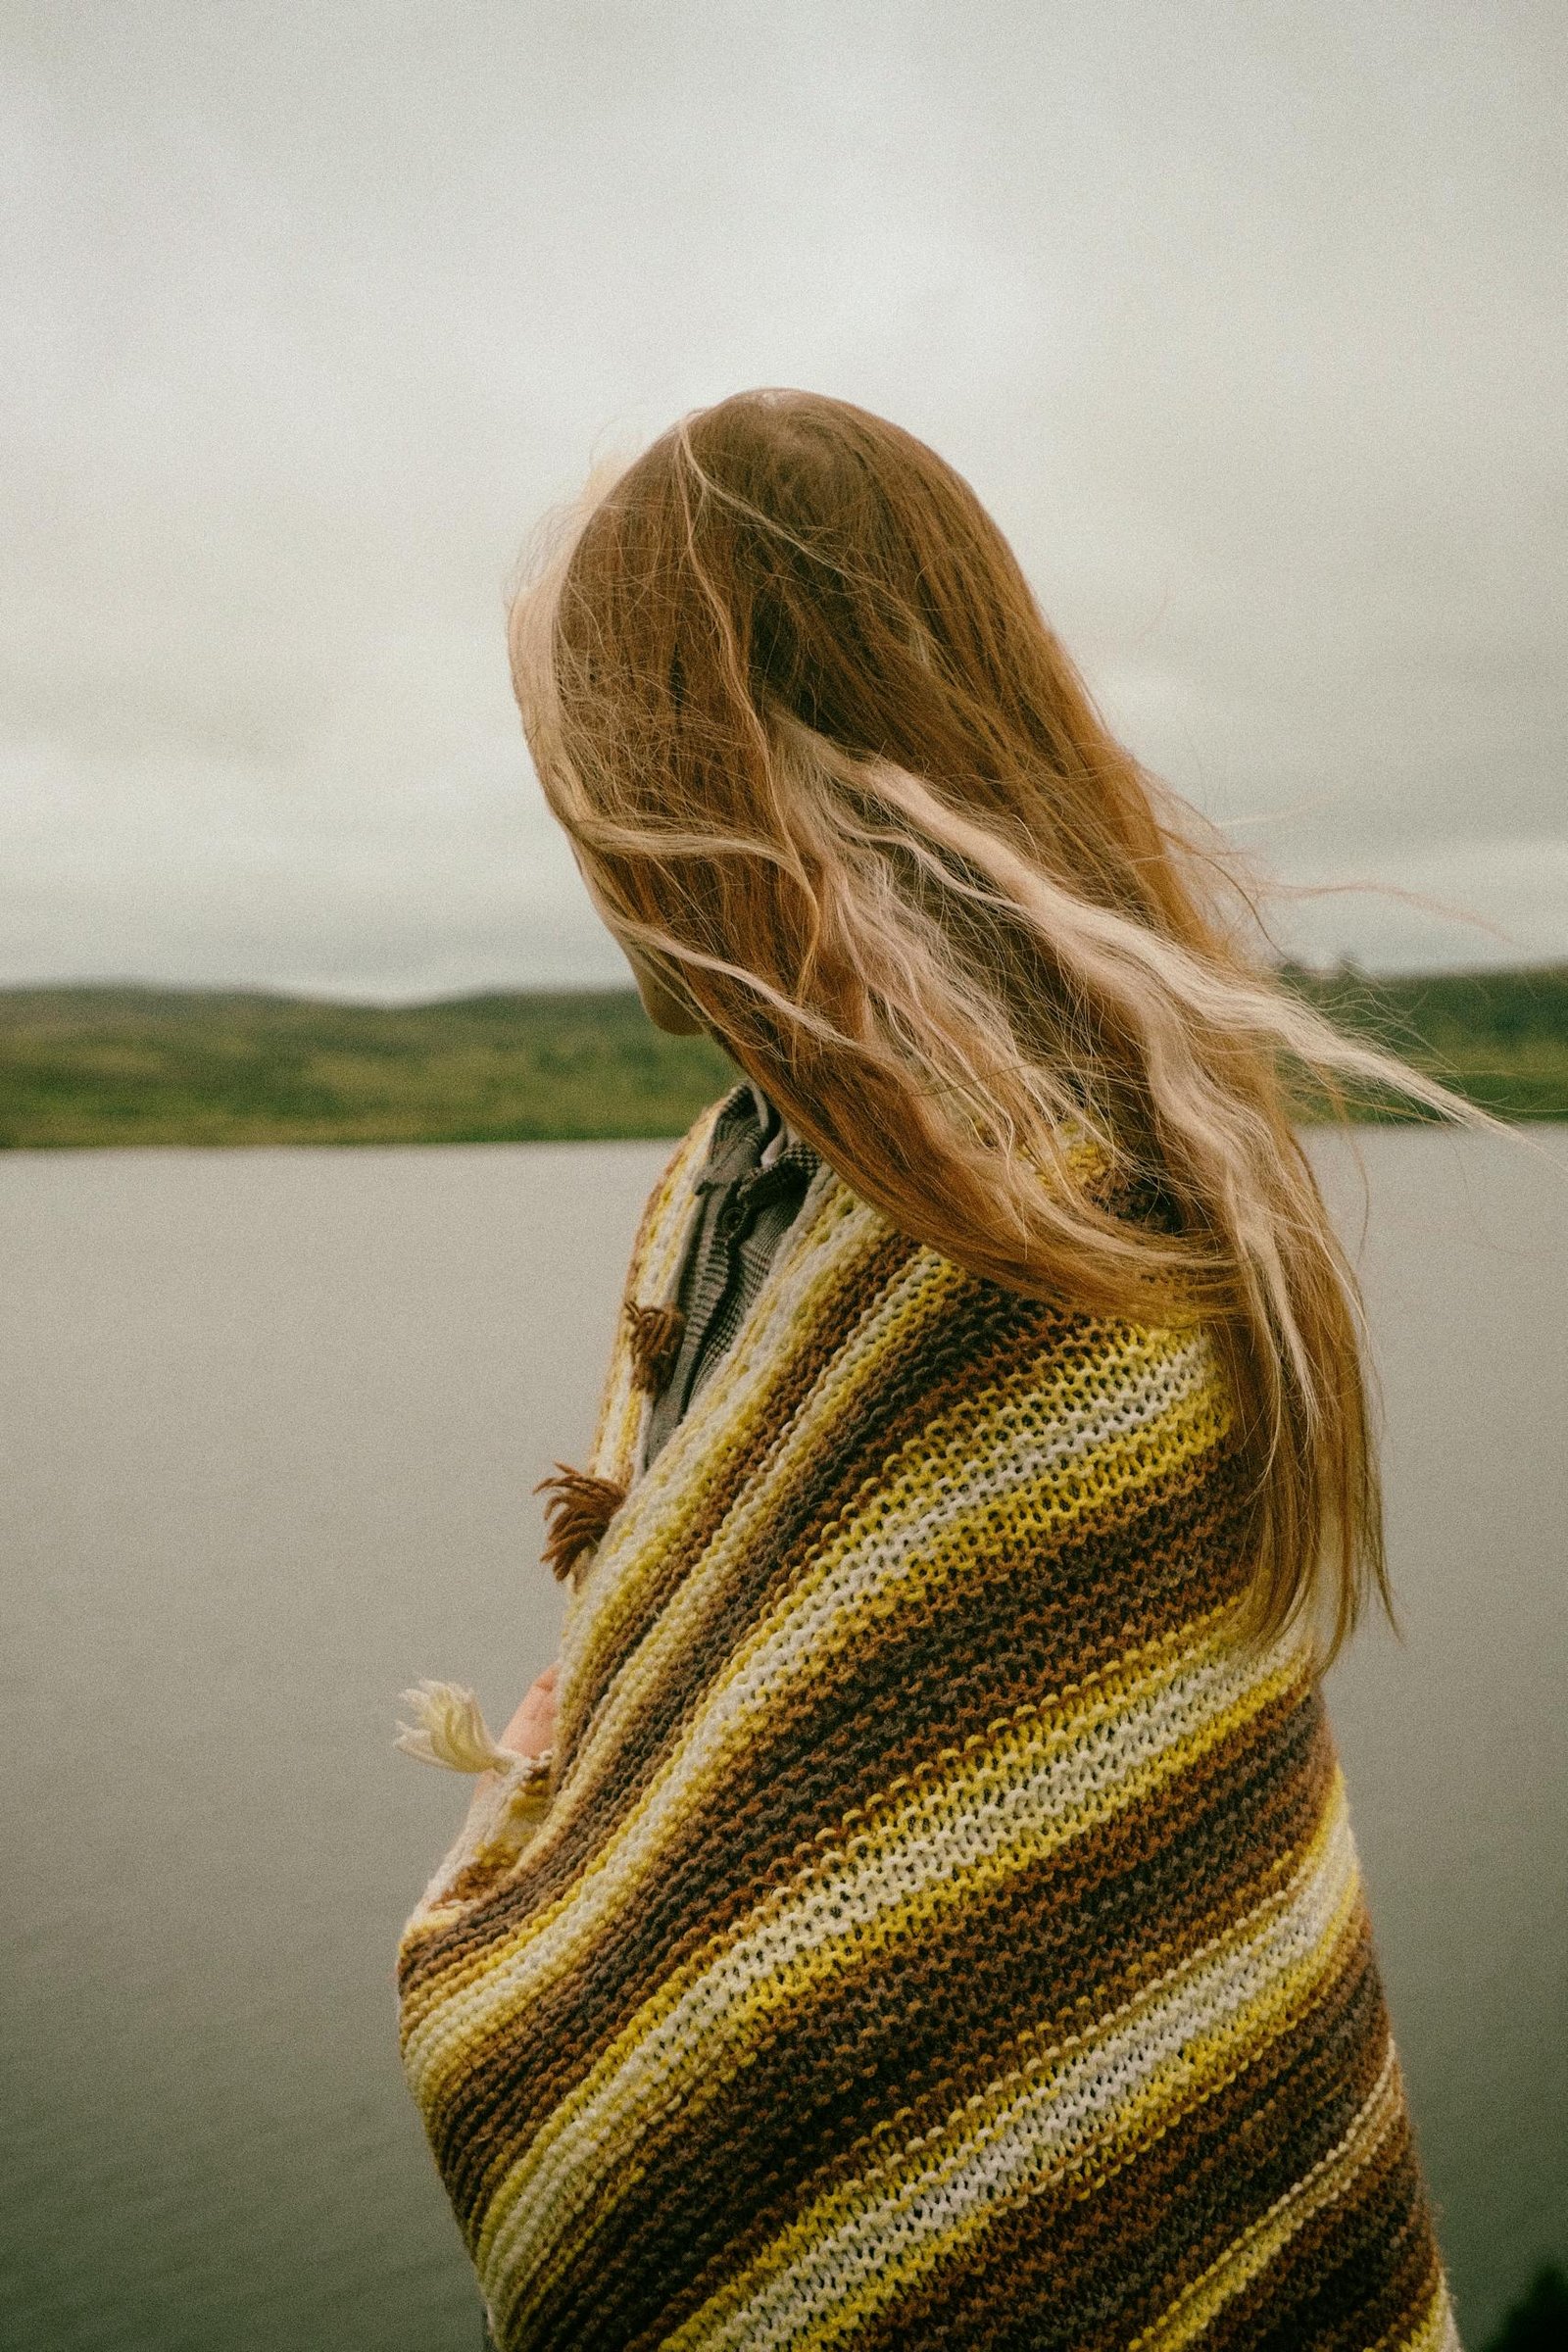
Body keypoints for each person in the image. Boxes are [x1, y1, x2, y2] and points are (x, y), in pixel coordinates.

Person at [395, 390, 1463, 2351]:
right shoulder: (740, 1171)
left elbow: (894, 1965)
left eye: (584, 770)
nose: (576, 843)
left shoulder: (1054, 1217)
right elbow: (721, 1718)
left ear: (691, 767)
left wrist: (511, 1970)